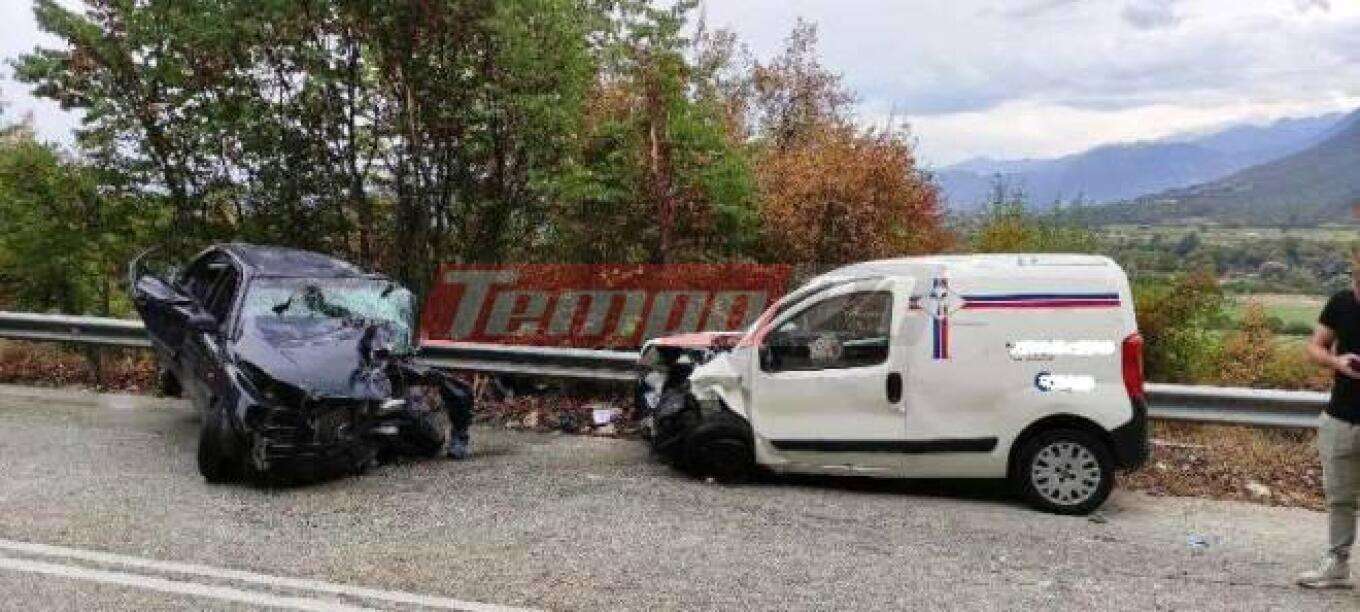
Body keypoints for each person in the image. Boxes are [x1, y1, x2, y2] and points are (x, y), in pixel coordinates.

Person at [1298, 245, 1360, 589]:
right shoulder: (1340, 302)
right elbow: (1314, 347)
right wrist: (1337, 362)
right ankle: (1337, 564)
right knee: (1340, 498)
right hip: (1340, 417)